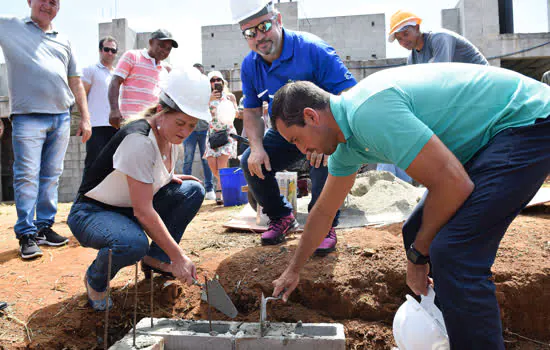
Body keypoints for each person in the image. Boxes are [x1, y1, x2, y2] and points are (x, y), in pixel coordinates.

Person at [270, 63, 550, 349]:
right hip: (490, 139)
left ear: (310, 116)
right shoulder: (346, 146)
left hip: (527, 120)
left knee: (455, 253)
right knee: (414, 229)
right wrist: (293, 269)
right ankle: (456, 329)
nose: (302, 151)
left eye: (297, 139)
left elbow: (454, 184)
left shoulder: (367, 113)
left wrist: (418, 256)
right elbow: (324, 212)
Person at [68, 67, 211, 311]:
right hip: (93, 212)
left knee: (193, 190)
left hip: (126, 209)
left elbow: (150, 173)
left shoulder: (169, 136)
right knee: (132, 244)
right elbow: (143, 212)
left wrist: (170, 176)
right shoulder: (139, 140)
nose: (185, 132)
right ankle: (96, 280)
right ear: (160, 111)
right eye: (180, 123)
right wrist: (179, 257)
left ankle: (156, 258)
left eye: (191, 125)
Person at [230, 0, 357, 254]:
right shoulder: (250, 65)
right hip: (285, 133)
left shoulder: (313, 50)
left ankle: (323, 225)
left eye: (264, 26)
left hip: (323, 127)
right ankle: (281, 217)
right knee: (249, 161)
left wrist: (328, 136)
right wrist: (256, 147)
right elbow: (252, 112)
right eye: (250, 33)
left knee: (323, 159)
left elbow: (349, 95)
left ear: (277, 20)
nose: (259, 37)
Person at [0, 0, 92, 260]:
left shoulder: (64, 39)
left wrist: (85, 117)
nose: (48, 5)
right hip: (27, 116)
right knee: (27, 175)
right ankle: (26, 234)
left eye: (54, 2)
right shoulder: (9, 26)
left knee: (52, 175)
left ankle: (44, 227)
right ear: (29, 1)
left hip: (61, 117)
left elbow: (75, 80)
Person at [379, 10, 490, 183]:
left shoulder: (439, 38)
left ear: (417, 27)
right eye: (399, 39)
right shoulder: (413, 58)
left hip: (482, 89)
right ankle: (398, 182)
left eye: (406, 34)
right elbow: (415, 90)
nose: (403, 41)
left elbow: (439, 80)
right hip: (457, 94)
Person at [108, 29, 177, 129]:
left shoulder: (164, 70)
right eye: (161, 45)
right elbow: (115, 81)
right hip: (131, 122)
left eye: (168, 49)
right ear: (151, 42)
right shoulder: (132, 56)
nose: (164, 51)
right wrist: (114, 110)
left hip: (153, 125)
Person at [82, 36, 119, 174]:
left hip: (116, 126)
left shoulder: (118, 74)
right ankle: (83, 195)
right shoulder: (90, 70)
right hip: (97, 126)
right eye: (106, 49)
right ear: (100, 50)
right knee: (93, 164)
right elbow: (82, 96)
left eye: (113, 50)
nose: (110, 53)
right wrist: (84, 120)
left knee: (113, 165)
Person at [203, 71, 239, 205]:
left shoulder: (230, 97)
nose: (216, 82)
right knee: (213, 165)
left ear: (223, 82)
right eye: (213, 80)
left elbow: (236, 114)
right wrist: (209, 101)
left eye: (219, 80)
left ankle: (221, 192)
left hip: (227, 132)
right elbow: (200, 114)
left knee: (222, 164)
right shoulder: (206, 98)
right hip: (212, 134)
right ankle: (229, 185)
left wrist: (229, 109)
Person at [182, 64, 215, 200]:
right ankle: (185, 188)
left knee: (206, 160)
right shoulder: (186, 89)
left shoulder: (207, 89)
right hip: (189, 129)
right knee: (188, 159)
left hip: (204, 128)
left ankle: (210, 189)